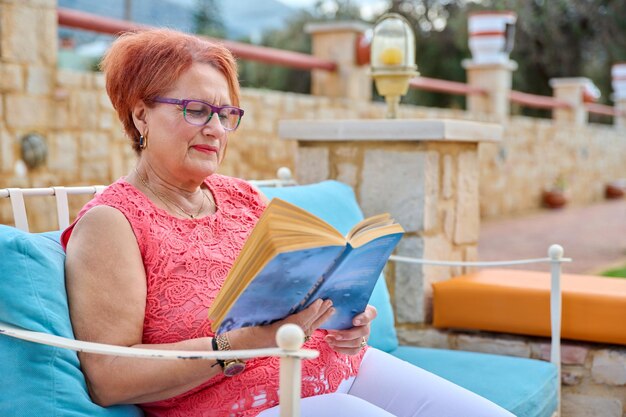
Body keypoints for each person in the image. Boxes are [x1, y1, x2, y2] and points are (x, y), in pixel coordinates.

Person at [62, 28, 514, 417]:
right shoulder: (113, 222)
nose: (216, 128)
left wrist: (343, 322)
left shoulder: (242, 197)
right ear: (141, 114)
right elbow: (110, 376)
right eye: (195, 110)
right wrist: (242, 344)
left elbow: (291, 295)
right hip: (239, 405)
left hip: (334, 368)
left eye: (225, 114)